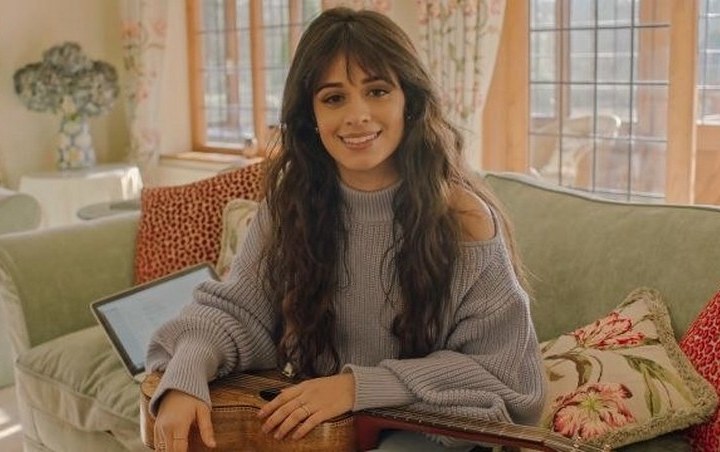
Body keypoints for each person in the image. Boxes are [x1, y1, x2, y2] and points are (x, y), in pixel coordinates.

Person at [147, 7, 546, 452]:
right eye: (334, 98)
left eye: (377, 91)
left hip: (426, 431)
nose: (357, 115)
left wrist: (356, 387)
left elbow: (502, 371)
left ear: (409, 101)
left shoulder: (464, 218)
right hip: (321, 432)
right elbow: (238, 310)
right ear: (310, 115)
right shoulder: (288, 205)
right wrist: (186, 374)